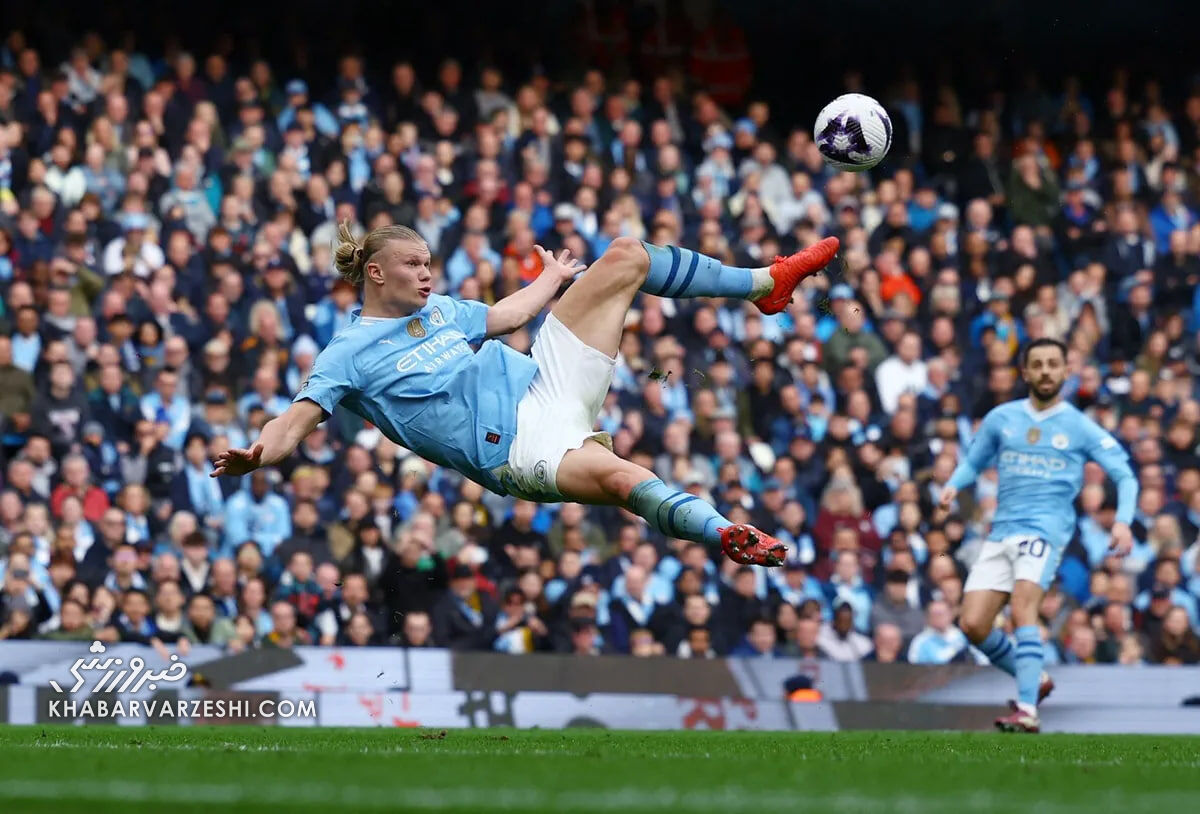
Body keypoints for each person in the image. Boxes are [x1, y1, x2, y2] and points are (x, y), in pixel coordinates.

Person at [213, 222, 839, 567]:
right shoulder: (347, 353)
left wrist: (553, 279)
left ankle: (765, 283)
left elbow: (508, 316)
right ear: (375, 273)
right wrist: (257, 455)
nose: (427, 273)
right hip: (514, 447)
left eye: (429, 262)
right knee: (625, 480)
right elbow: (294, 421)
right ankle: (726, 533)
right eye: (414, 265)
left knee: (624, 255)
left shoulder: (441, 311)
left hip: (543, 383)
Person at [939, 337, 1138, 733]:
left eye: (1053, 364)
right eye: (1039, 364)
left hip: (1046, 531)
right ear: (1025, 372)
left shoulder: (1079, 426)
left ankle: (1027, 709)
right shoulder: (1002, 418)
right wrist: (951, 484)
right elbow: (974, 462)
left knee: (1023, 608)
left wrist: (1123, 520)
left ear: (1066, 371)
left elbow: (1123, 473)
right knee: (973, 624)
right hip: (1001, 532)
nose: (1046, 371)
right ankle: (1037, 678)